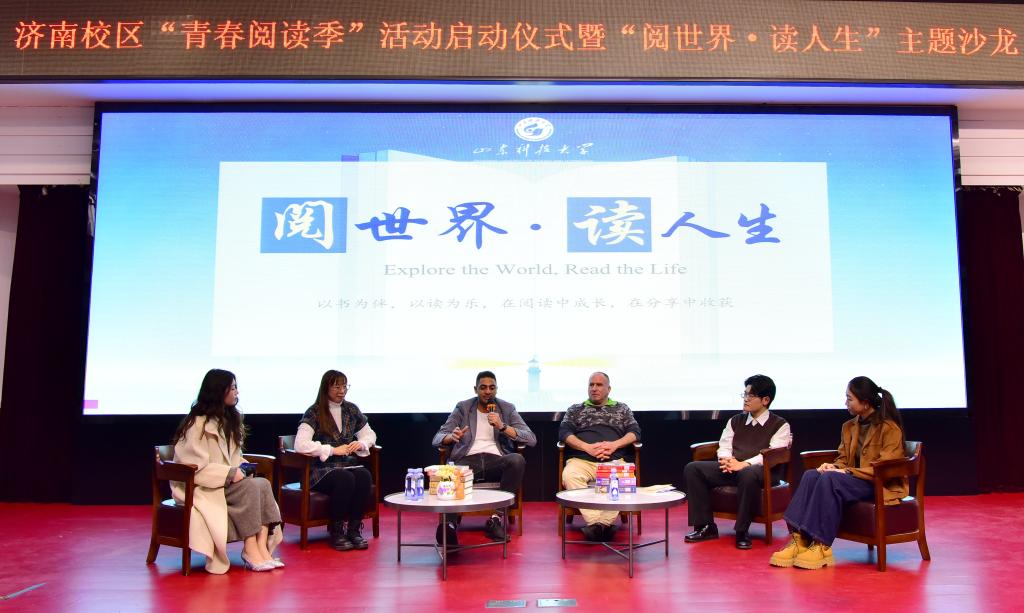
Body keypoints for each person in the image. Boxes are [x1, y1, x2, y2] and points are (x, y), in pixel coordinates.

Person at [770, 376, 908, 570]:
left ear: (865, 402)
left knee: (831, 481)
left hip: (878, 483)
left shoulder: (889, 428)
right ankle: (799, 539)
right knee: (812, 475)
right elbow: (843, 458)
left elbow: (885, 467)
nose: (846, 403)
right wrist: (834, 466)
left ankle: (822, 545)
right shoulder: (849, 426)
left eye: (850, 399)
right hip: (853, 481)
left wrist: (846, 471)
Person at [171, 369, 283, 573]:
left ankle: (262, 548)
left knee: (263, 484)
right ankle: (250, 548)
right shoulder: (196, 425)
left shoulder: (228, 421)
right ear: (218, 391)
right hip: (201, 487)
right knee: (250, 488)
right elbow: (193, 468)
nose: (236, 392)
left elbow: (233, 457)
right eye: (232, 388)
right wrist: (229, 473)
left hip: (225, 484)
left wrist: (243, 468)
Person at [683, 374, 792, 549]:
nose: (746, 399)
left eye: (751, 395)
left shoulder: (780, 425)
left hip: (763, 471)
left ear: (765, 400)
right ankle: (705, 526)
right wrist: (726, 460)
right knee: (693, 469)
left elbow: (773, 453)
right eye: (745, 394)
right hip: (734, 468)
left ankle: (742, 531)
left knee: (748, 474)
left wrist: (744, 464)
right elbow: (724, 444)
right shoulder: (735, 420)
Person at [432, 370, 536, 544]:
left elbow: (531, 438)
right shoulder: (463, 408)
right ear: (476, 389)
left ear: (496, 389)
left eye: (492, 388)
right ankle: (448, 527)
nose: (488, 391)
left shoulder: (507, 408)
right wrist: (451, 437)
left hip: (496, 461)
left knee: (517, 460)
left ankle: (495, 519)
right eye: (483, 388)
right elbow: (437, 437)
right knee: (451, 470)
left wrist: (502, 426)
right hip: (468, 461)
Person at [293, 370, 377, 551]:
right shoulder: (314, 412)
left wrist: (362, 443)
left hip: (346, 465)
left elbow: (370, 434)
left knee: (363, 475)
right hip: (319, 470)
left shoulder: (351, 409)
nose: (342, 391)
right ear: (326, 388)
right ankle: (337, 532)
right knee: (344, 478)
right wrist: (330, 450)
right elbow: (300, 444)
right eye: (337, 387)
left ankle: (354, 530)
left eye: (345, 386)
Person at [558, 372, 642, 542]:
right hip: (582, 460)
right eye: (591, 385)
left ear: (609, 389)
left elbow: (635, 433)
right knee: (569, 476)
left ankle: (597, 527)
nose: (594, 388)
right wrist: (587, 447)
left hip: (613, 461)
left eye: (599, 385)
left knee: (623, 479)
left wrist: (614, 445)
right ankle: (601, 524)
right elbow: (564, 433)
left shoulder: (621, 408)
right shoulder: (575, 409)